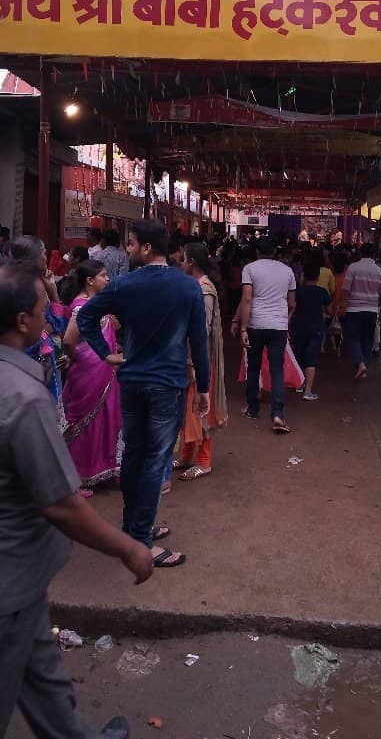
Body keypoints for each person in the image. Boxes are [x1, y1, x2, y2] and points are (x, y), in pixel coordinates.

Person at [0, 262, 150, 739]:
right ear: (22, 321)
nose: (49, 317)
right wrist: (127, 547)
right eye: (43, 309)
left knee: (42, 677)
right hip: (1, 579)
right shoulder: (22, 394)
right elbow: (59, 503)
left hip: (5, 575)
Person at [78, 219, 210, 568]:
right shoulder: (188, 288)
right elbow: (199, 342)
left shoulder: (124, 285)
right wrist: (205, 388)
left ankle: (134, 527)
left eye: (132, 243)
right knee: (155, 459)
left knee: (136, 455)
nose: (129, 249)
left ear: (147, 248)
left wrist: (105, 353)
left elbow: (87, 317)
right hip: (167, 384)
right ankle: (140, 541)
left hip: (132, 381)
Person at [61, 261, 122, 498]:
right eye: (103, 276)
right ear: (89, 280)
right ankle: (77, 477)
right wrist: (79, 359)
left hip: (104, 370)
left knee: (106, 419)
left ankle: (102, 469)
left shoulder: (97, 304)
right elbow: (68, 340)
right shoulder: (81, 308)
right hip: (89, 371)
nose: (107, 279)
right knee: (83, 422)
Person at [176, 243, 228, 480]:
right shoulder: (199, 286)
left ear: (192, 263)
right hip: (196, 356)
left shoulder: (204, 290)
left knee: (200, 405)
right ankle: (186, 454)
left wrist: (194, 362)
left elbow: (202, 331)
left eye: (182, 259)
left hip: (201, 358)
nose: (179, 263)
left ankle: (204, 460)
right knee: (190, 405)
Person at [10, 236, 69, 428]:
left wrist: (52, 291)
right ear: (33, 257)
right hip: (29, 362)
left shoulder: (37, 283)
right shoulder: (23, 288)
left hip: (41, 362)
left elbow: (56, 325)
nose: (47, 257)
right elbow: (52, 326)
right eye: (44, 253)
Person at [239, 236, 296, 433]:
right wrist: (284, 322)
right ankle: (278, 414)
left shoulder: (250, 269)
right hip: (278, 327)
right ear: (275, 252)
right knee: (277, 370)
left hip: (256, 325)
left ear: (257, 251)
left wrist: (243, 327)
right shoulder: (287, 271)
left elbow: (247, 300)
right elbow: (292, 304)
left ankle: (253, 409)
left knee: (253, 368)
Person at [339, 242, 381, 380]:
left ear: (360, 253)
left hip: (354, 310)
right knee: (367, 339)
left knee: (352, 338)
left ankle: (360, 364)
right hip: (372, 311)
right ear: (374, 255)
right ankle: (363, 366)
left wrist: (342, 306)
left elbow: (345, 290)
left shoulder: (353, 268)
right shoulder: (380, 272)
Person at [291, 259, 331, 401]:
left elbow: (292, 307)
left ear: (303, 276)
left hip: (299, 327)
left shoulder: (298, 292)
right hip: (316, 328)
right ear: (318, 277)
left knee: (299, 356)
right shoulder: (322, 292)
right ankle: (307, 391)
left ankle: (299, 384)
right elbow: (329, 310)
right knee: (311, 359)